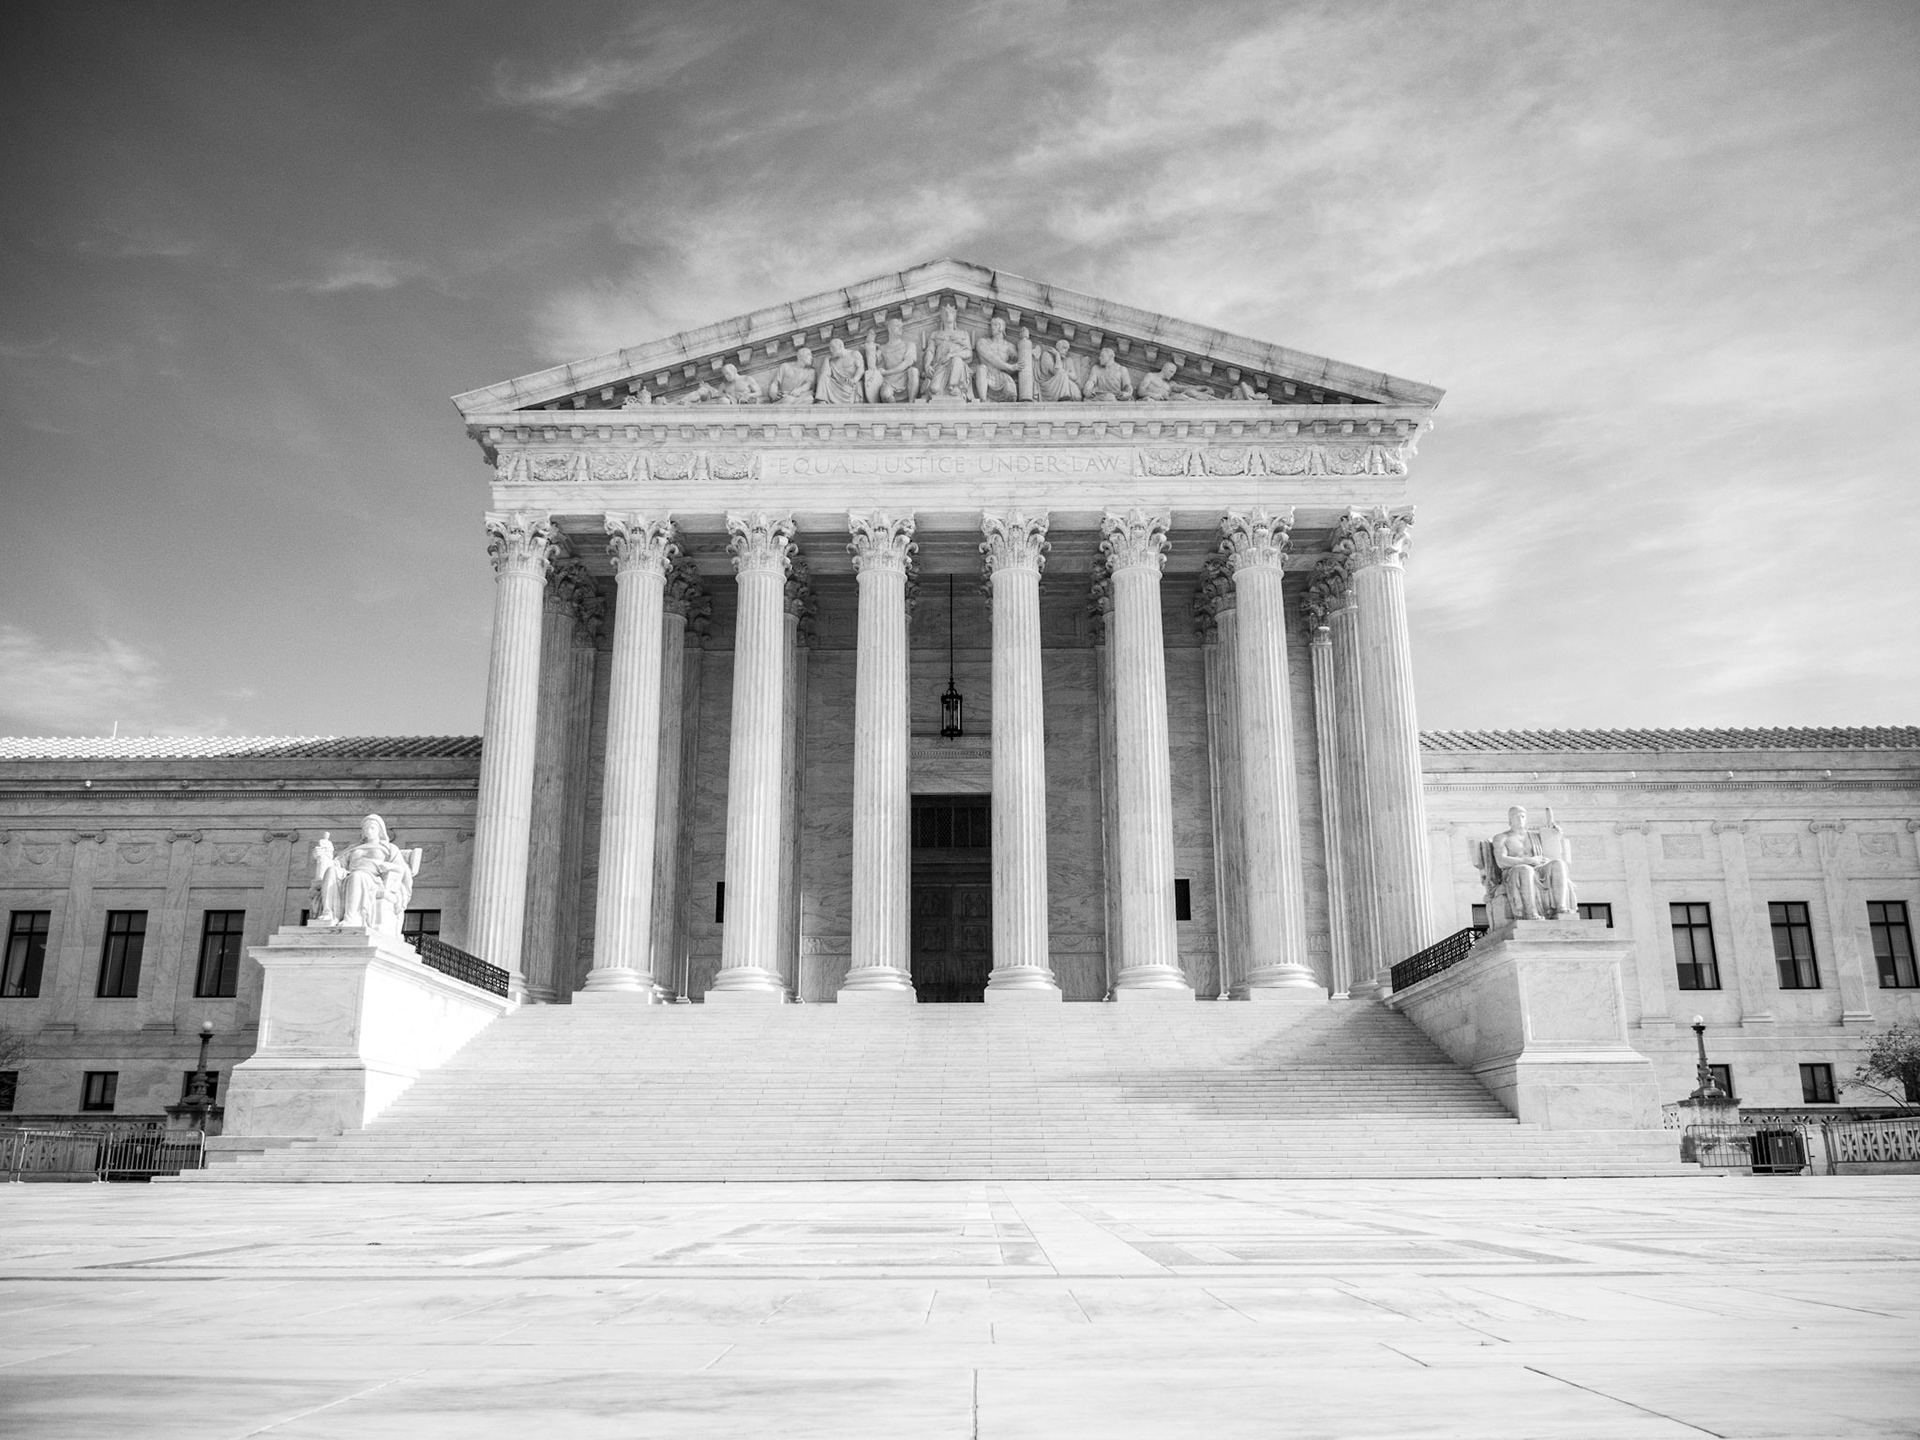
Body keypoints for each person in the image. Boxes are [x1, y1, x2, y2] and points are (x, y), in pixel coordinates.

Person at [1489, 806, 1576, 921]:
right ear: (1510, 819)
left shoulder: (1535, 836)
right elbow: (1501, 861)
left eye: (1522, 816)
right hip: (1514, 871)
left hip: (1538, 868)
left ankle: (1560, 908)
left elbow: (1552, 848)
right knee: (1526, 869)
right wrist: (1528, 861)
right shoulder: (1501, 837)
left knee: (1558, 864)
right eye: (1516, 816)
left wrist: (1554, 833)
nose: (1520, 819)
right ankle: (1530, 912)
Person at [862, 317, 920, 404]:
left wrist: (887, 372)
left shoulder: (909, 345)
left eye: (901, 326)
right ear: (889, 329)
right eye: (897, 326)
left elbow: (907, 363)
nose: (900, 328)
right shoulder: (883, 348)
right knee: (885, 394)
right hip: (889, 381)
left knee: (913, 371)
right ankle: (896, 409)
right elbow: (872, 365)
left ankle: (911, 404)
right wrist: (870, 343)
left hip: (906, 378)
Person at [922, 303, 973, 400]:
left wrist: (951, 355)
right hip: (940, 365)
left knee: (957, 360)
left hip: (958, 367)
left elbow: (968, 353)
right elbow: (930, 351)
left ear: (955, 316)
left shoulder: (963, 334)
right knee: (934, 389)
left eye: (951, 312)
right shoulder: (935, 334)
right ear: (941, 317)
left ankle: (954, 386)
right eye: (945, 312)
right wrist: (927, 365)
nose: (948, 314)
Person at [972, 316, 1022, 402]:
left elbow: (1020, 362)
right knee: (981, 368)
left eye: (995, 325)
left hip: (1001, 376)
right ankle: (983, 400)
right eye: (992, 325)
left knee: (1012, 396)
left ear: (1001, 327)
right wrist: (1010, 367)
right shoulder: (983, 342)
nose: (992, 328)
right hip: (985, 375)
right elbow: (991, 358)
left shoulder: (1009, 346)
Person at [816, 337, 866, 404]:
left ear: (840, 346)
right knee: (823, 376)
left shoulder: (854, 354)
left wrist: (854, 379)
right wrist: (827, 359)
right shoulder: (832, 361)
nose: (831, 351)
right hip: (836, 386)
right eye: (830, 348)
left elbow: (861, 369)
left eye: (833, 348)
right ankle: (822, 400)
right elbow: (825, 373)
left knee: (848, 386)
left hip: (850, 385)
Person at [1138, 360, 1210, 402]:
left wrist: (1202, 387)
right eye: (1171, 371)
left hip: (1166, 402)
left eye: (1173, 373)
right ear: (1164, 369)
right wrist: (1153, 395)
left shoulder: (1169, 384)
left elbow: (1185, 387)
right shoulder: (1151, 376)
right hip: (1151, 401)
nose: (1172, 375)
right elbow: (1141, 391)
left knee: (1187, 395)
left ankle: (1208, 402)